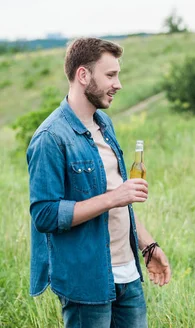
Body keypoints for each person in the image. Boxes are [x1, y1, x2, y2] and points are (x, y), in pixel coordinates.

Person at [27, 38, 171, 328]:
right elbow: (45, 215)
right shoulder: (50, 138)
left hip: (128, 274)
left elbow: (117, 197)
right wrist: (114, 198)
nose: (118, 84)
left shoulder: (105, 124)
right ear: (83, 75)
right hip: (87, 280)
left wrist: (148, 245)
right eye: (110, 75)